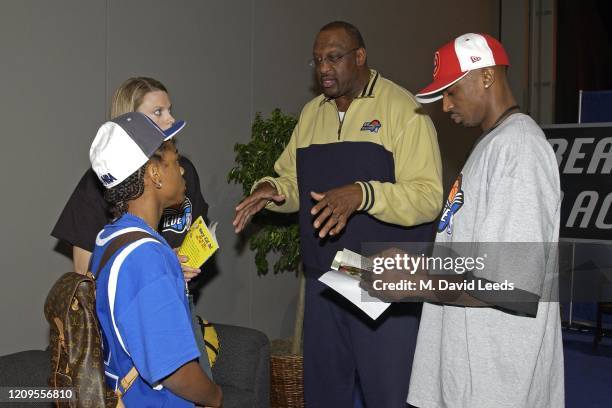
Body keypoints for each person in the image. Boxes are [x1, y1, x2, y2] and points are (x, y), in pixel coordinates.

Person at [233, 21, 443, 407]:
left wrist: (363, 194)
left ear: (360, 57)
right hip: (326, 279)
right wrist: (274, 189)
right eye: (317, 61)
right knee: (324, 394)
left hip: (381, 280)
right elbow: (295, 180)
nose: (323, 69)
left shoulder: (404, 110)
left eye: (333, 58)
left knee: (389, 395)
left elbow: (428, 197)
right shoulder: (312, 113)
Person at [364, 33, 564, 407]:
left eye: (451, 91)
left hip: (497, 382)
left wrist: (413, 285)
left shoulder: (519, 149)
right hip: (471, 374)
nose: (445, 104)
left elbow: (513, 286)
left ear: (486, 76)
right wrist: (415, 264)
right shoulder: (491, 145)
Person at [89, 112, 222, 407]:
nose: (183, 171)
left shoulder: (108, 239)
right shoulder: (146, 257)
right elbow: (175, 371)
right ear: (154, 173)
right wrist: (214, 397)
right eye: (175, 161)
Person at [52, 77, 208, 282]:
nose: (170, 119)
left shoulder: (183, 170)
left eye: (170, 110)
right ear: (131, 120)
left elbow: (198, 231)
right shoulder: (98, 182)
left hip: (178, 294)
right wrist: (159, 265)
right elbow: (85, 274)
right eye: (158, 112)